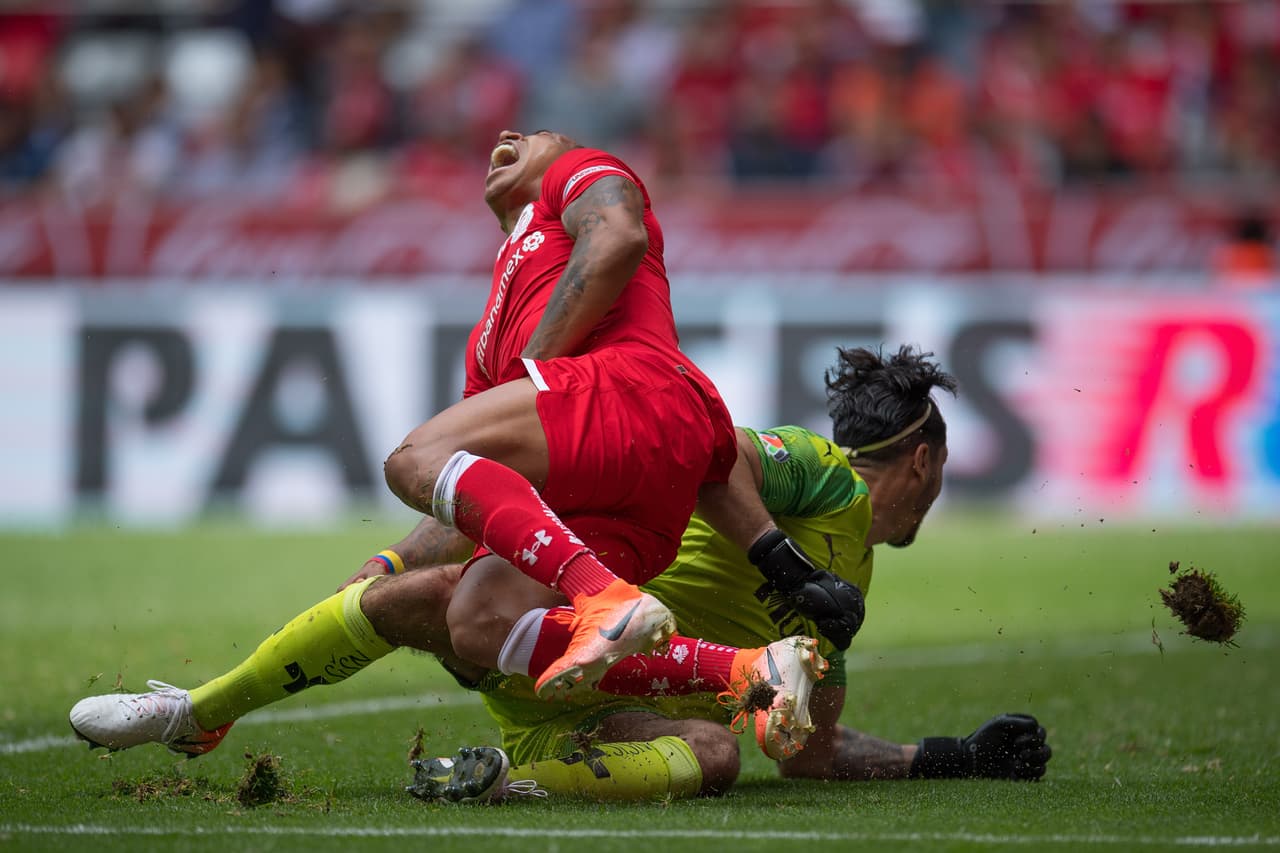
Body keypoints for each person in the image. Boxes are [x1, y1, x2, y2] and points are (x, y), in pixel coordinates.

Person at [70, 346, 1050, 800]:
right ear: (922, 462)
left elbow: (800, 749)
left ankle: (510, 779)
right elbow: (729, 456)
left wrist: (942, 754)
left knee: (716, 760)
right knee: (441, 590)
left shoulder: (851, 590)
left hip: (611, 705)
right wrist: (781, 562)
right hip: (567, 624)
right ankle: (199, 708)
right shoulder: (821, 479)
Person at [369, 127, 843, 699]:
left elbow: (618, 238)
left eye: (537, 133)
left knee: (409, 458)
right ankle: (752, 672)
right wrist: (391, 564)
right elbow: (475, 484)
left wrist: (533, 375)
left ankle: (601, 594)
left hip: (638, 397)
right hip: (640, 497)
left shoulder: (572, 172)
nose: (509, 134)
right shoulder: (487, 341)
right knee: (478, 620)